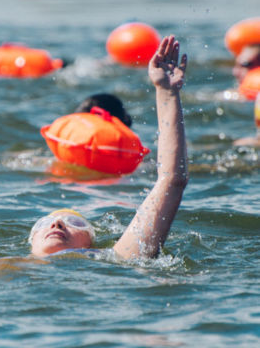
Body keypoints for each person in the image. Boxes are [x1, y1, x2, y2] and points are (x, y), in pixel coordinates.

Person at [30, 35, 188, 260]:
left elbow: (172, 180)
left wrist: (167, 93)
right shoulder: (1, 266)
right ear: (31, 242)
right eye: (43, 223)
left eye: (75, 223)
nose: (56, 223)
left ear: (91, 243)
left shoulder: (113, 258)